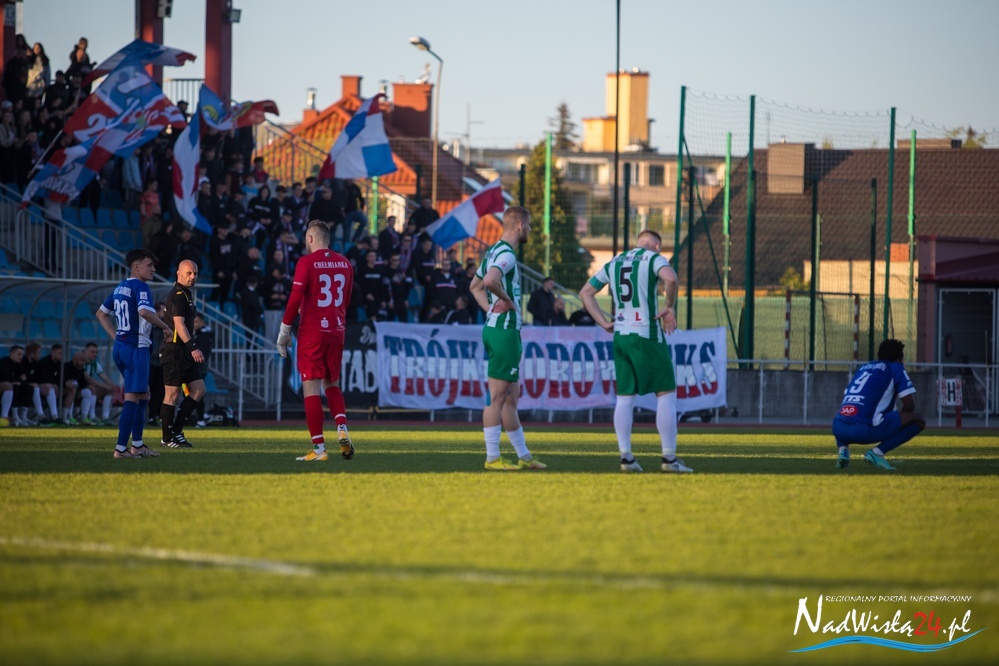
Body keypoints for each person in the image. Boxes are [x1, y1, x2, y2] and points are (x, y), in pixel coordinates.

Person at [579, 229, 692, 474]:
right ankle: (669, 458)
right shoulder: (653, 258)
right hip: (646, 333)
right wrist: (669, 306)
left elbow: (585, 293)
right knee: (666, 393)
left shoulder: (615, 261)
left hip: (621, 335)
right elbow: (671, 279)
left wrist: (603, 322)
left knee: (625, 397)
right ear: (657, 245)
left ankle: (626, 458)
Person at [468, 206, 546, 471]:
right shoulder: (506, 254)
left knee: (511, 399)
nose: (531, 230)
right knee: (497, 397)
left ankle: (524, 456)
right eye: (530, 225)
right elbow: (490, 281)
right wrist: (507, 301)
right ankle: (492, 458)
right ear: (520, 226)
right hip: (504, 331)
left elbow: (474, 286)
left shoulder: (493, 251)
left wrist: (490, 309)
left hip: (499, 329)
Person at [276, 220, 355, 462]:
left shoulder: (306, 262)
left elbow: (295, 297)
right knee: (332, 384)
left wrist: (284, 331)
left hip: (312, 332)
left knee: (311, 388)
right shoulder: (345, 263)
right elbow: (346, 300)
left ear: (310, 239)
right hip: (337, 331)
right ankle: (341, 426)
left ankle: (319, 449)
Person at [95, 248, 173, 459]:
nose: (153, 269)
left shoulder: (121, 287)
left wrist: (116, 336)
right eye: (150, 265)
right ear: (136, 267)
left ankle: (137, 445)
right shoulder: (141, 287)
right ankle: (121, 448)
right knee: (133, 396)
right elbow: (144, 312)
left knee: (144, 393)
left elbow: (101, 313)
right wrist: (166, 327)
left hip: (121, 347)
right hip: (136, 348)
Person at [832, 338, 926, 471]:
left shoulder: (863, 368)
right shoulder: (896, 367)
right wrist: (898, 420)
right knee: (919, 419)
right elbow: (910, 406)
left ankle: (843, 451)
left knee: (846, 414)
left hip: (838, 428)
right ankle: (877, 453)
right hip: (863, 430)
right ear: (899, 358)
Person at [159, 260, 207, 448]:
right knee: (172, 394)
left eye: (195, 273)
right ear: (178, 273)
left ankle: (177, 431)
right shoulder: (178, 295)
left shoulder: (187, 294)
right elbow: (179, 325)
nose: (193, 276)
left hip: (184, 351)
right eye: (189, 273)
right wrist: (193, 347)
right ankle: (166, 438)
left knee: (199, 389)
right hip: (175, 350)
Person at [80, 341, 117, 425]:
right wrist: (105, 386)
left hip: (88, 388)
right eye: (92, 352)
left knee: (109, 390)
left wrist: (112, 385)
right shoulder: (81, 362)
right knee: (92, 387)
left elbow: (105, 377)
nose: (95, 354)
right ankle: (91, 416)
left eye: (96, 352)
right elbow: (88, 379)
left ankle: (105, 417)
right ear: (85, 351)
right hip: (78, 388)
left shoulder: (95, 364)